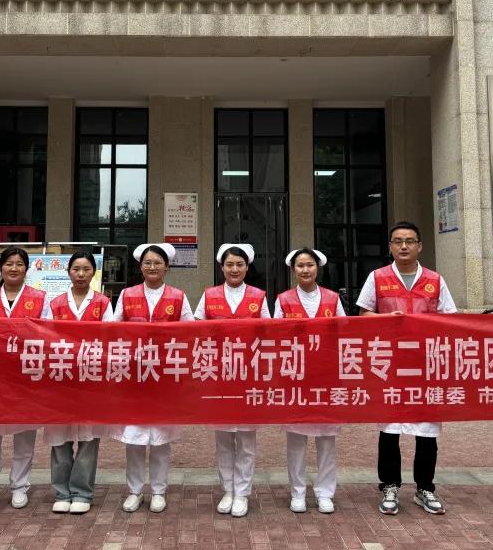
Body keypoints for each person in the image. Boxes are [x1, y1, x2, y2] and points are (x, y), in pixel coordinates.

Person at [357, 221, 457, 517]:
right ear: (390, 246)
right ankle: (389, 486)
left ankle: (425, 487)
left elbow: (450, 318)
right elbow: (363, 315)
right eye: (397, 241)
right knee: (389, 429)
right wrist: (386, 320)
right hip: (390, 365)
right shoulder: (377, 277)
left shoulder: (435, 280)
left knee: (427, 430)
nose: (403, 246)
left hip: (426, 365)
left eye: (409, 241)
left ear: (419, 246)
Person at [104, 243, 193, 514]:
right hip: (134, 376)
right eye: (147, 263)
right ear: (140, 267)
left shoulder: (178, 296)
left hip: (165, 375)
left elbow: (191, 331)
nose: (152, 267)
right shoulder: (127, 294)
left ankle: (158, 491)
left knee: (161, 439)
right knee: (134, 437)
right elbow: (113, 329)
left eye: (157, 262)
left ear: (167, 267)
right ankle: (134, 491)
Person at [0, 246, 50, 511]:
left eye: (19, 264)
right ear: (0, 267)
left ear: (27, 268)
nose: (14, 268)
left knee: (24, 436)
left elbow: (48, 335)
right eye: (9, 264)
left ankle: (20, 486)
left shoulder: (40, 298)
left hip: (25, 377)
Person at [194, 244, 269, 518]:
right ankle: (228, 489)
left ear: (247, 267)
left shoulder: (259, 296)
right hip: (219, 374)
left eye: (239, 264)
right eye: (229, 264)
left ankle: (243, 492)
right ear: (221, 267)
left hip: (249, 374)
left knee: (246, 439)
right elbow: (196, 329)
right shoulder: (209, 295)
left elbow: (270, 331)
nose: (234, 269)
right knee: (223, 437)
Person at [273, 248, 346, 514]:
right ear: (293, 270)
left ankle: (325, 493)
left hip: (326, 376)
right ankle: (298, 492)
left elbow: (343, 332)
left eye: (310, 265)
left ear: (317, 268)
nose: (305, 270)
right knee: (296, 439)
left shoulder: (333, 298)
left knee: (327, 440)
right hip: (295, 377)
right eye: (300, 266)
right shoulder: (283, 300)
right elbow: (275, 336)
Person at [43, 251, 112, 515]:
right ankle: (61, 492)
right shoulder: (55, 303)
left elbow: (109, 338)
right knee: (59, 436)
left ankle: (82, 492)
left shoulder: (103, 303)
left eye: (86, 269)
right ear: (68, 272)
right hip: (60, 376)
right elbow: (45, 337)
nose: (81, 274)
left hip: (91, 377)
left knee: (88, 437)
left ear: (94, 272)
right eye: (76, 269)